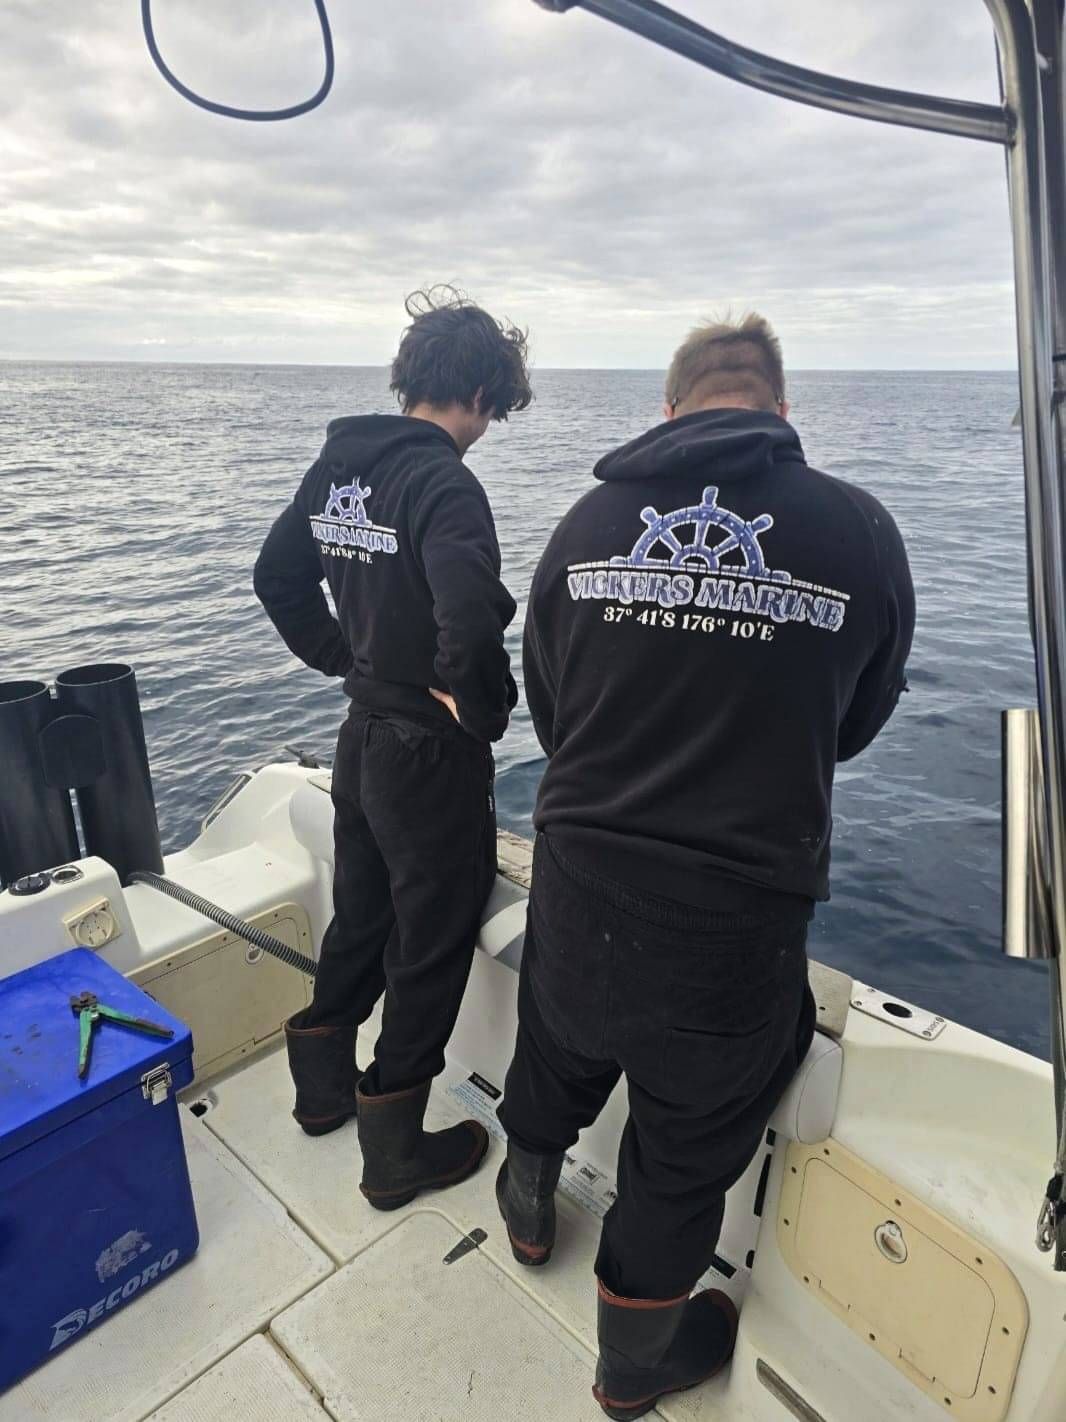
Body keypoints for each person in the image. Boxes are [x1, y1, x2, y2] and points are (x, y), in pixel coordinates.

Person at [495, 313, 914, 1419]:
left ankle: (526, 1210)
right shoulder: (859, 529)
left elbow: (550, 697)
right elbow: (859, 716)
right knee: (682, 1155)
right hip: (736, 914)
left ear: (669, 407)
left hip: (580, 870)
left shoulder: (588, 518)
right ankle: (632, 1369)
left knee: (554, 1044)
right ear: (779, 407)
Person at [254, 286, 532, 1210]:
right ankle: (394, 1151)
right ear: (484, 393)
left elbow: (277, 577)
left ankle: (321, 1095)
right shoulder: (443, 480)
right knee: (431, 940)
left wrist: (352, 662)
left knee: (362, 920)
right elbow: (467, 618)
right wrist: (479, 714)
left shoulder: (342, 463)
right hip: (424, 757)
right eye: (497, 406)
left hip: (359, 742)